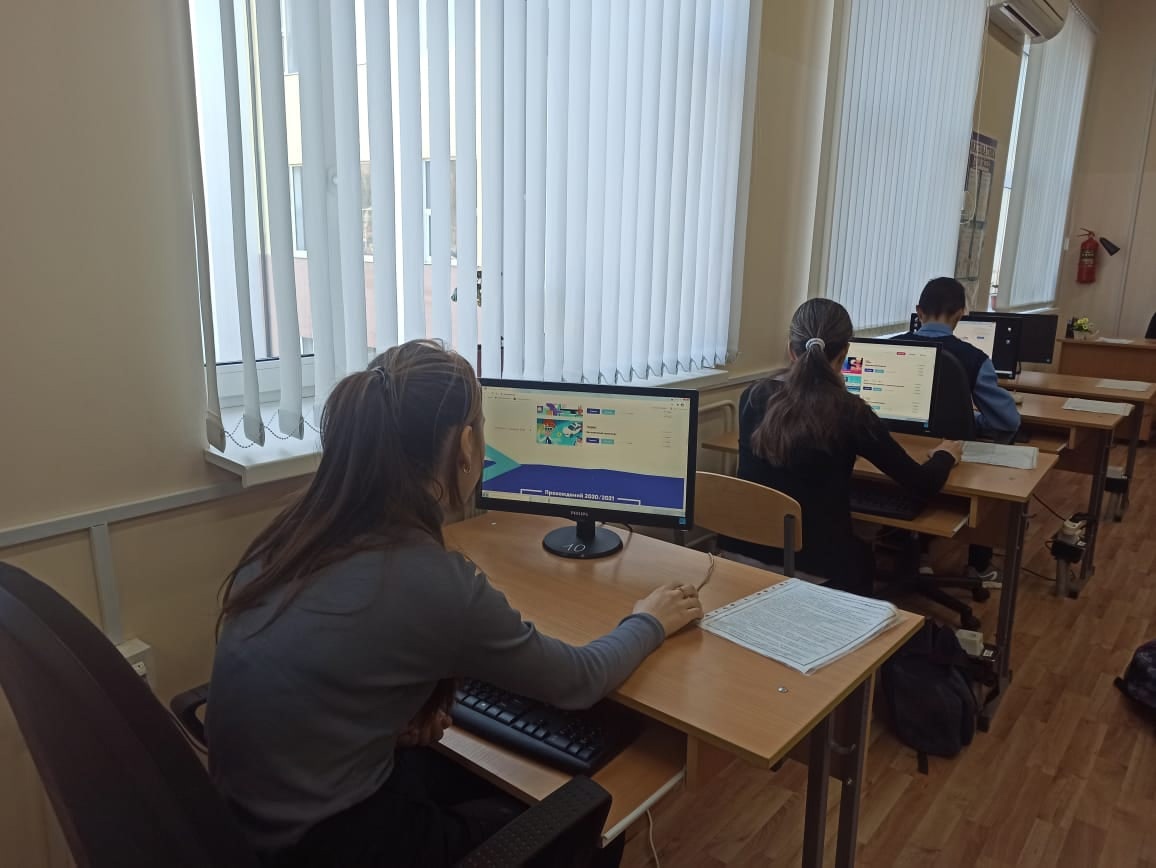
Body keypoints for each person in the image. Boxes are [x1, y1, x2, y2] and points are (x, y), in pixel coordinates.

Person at [207, 339, 703, 868]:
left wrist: (390, 718)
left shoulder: (292, 537)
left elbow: (323, 667)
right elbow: (578, 682)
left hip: (249, 825)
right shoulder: (428, 580)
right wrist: (649, 619)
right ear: (466, 444)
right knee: (593, 820)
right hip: (333, 844)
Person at [719, 298, 962, 594]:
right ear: (845, 352)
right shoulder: (849, 411)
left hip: (740, 555)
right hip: (816, 570)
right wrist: (945, 455)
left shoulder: (753, 396)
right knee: (861, 552)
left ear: (791, 349)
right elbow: (922, 484)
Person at [908, 277, 1021, 582]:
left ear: (919, 311)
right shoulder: (975, 359)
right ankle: (979, 566)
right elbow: (1007, 422)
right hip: (953, 457)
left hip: (900, 454)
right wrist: (971, 422)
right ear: (960, 314)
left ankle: (915, 552)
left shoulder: (892, 347)